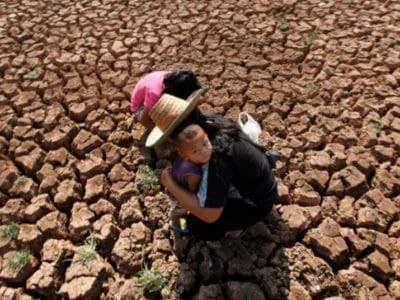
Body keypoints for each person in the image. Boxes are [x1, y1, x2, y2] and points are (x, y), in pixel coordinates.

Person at [158, 110, 279, 241]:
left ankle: (225, 231)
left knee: (196, 226)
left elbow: (210, 215)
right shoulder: (210, 121)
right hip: (260, 184)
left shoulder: (215, 157)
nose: (204, 150)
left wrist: (171, 185)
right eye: (195, 151)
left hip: (256, 204)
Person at [130, 69, 201, 129]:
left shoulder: (175, 77)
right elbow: (144, 121)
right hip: (140, 108)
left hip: (154, 93)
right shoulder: (155, 94)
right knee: (172, 124)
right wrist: (166, 134)